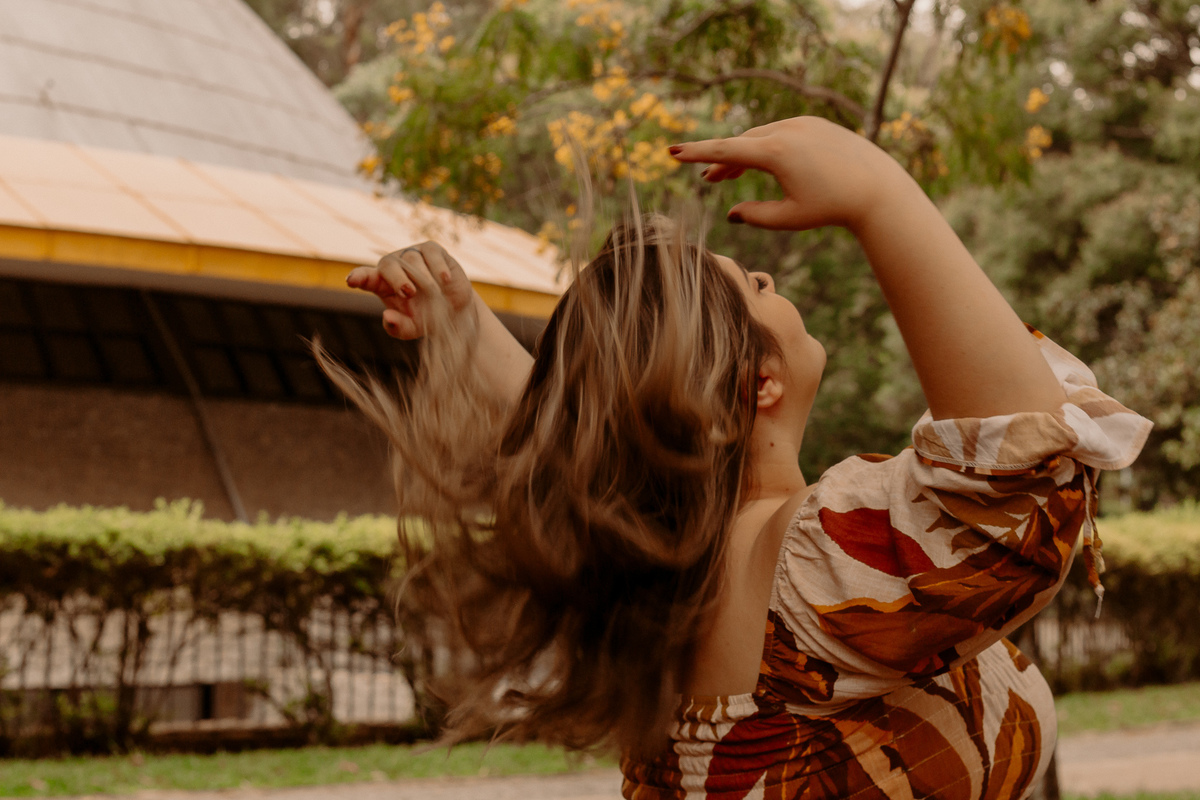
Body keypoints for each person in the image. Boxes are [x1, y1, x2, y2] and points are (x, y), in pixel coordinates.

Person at [324, 117, 1150, 799]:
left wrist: (461, 329)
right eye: (752, 289)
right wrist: (876, 190)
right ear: (758, 385)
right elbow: (1009, 475)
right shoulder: (790, 561)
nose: (764, 272)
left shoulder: (668, 564)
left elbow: (580, 441)